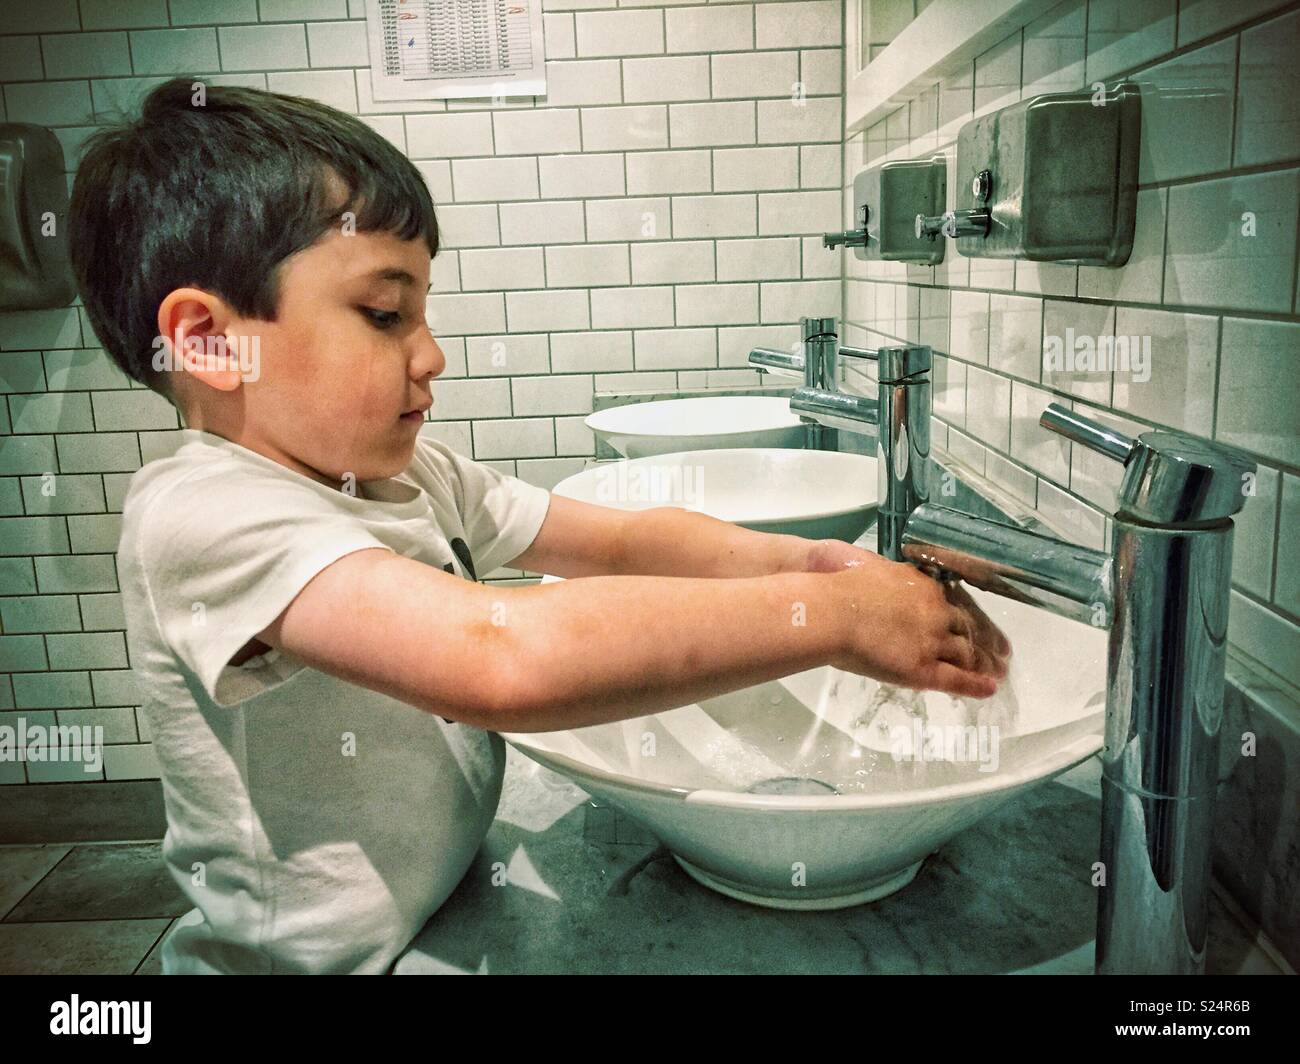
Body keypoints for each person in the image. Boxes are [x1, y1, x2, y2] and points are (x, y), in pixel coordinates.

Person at [67, 78, 1009, 974]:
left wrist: (805, 563)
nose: (430, 354)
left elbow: (621, 541)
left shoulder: (411, 475)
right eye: (384, 312)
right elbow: (500, 657)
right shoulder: (201, 513)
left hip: (436, 911)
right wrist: (828, 623)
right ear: (207, 341)